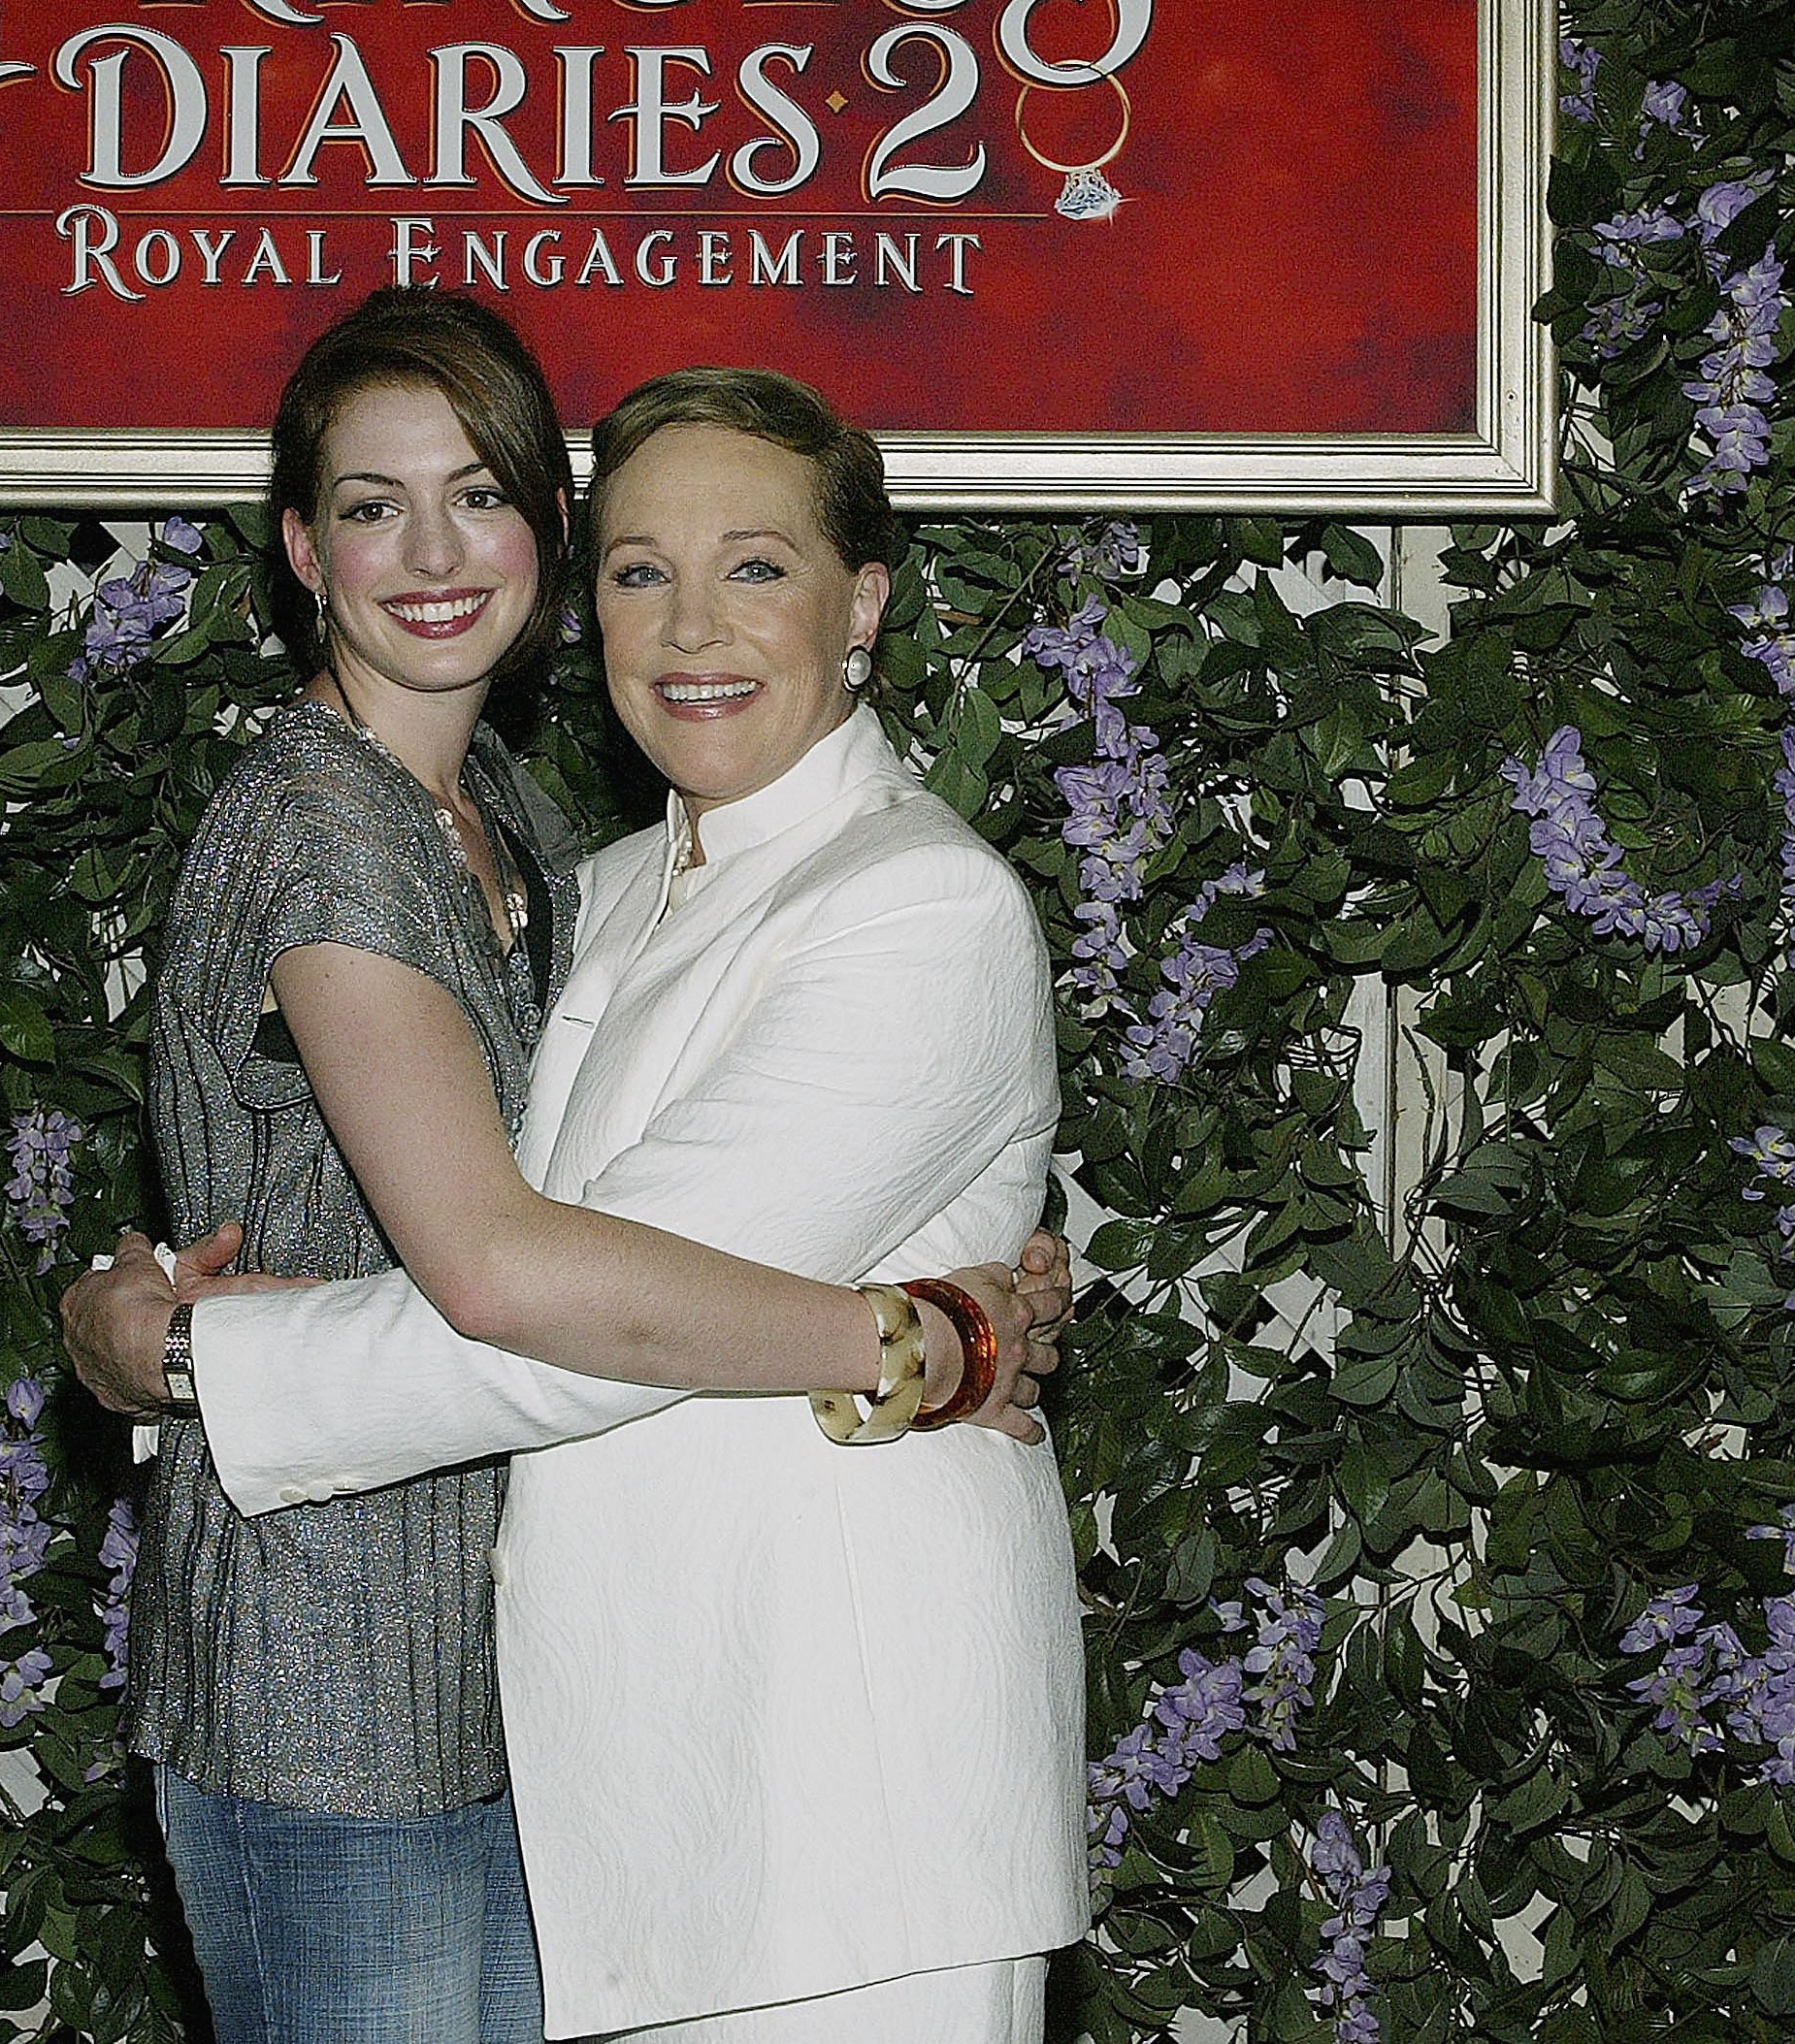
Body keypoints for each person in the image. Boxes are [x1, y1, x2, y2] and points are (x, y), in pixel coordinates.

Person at [72, 355, 1083, 2042]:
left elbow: (564, 1321)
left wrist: (191, 1367)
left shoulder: (918, 908)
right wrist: (912, 1337)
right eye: (642, 571)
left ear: (867, 606)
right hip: (617, 1789)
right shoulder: (598, 883)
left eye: (756, 566)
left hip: (837, 1810)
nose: (693, 626)